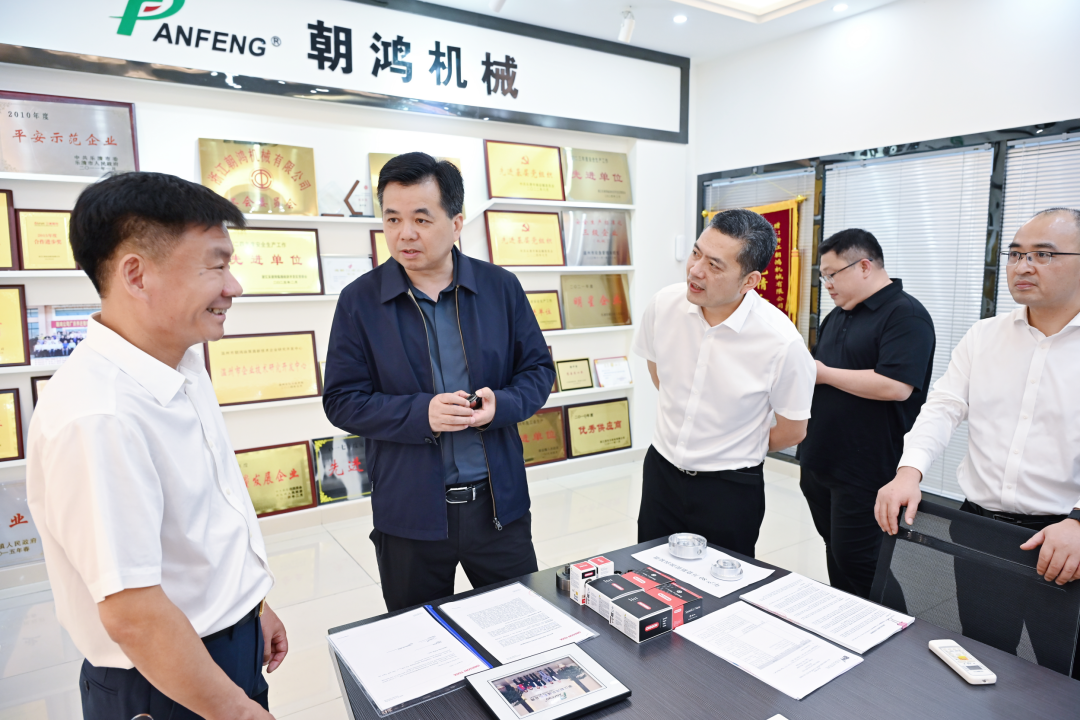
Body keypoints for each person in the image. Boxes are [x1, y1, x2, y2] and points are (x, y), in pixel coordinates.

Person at [26, 172, 287, 720]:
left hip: (223, 645)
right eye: (215, 266)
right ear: (137, 275)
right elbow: (135, 615)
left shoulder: (181, 360)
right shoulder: (98, 415)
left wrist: (251, 605)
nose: (233, 286)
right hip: (160, 681)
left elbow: (207, 517)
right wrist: (239, 713)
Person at [323, 152, 555, 611]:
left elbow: (538, 371)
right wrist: (420, 413)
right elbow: (342, 400)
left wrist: (502, 404)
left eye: (421, 219)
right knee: (419, 636)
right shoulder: (360, 301)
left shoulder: (500, 288)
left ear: (456, 223)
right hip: (410, 513)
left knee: (521, 623)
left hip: (498, 506)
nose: (404, 233)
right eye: (392, 218)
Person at [876, 208, 1080, 674]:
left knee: (1062, 674)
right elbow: (943, 407)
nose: (1023, 266)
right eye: (1016, 254)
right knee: (984, 656)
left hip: (1065, 538)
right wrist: (909, 471)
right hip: (981, 529)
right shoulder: (985, 335)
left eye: (1044, 255)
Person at [633, 208, 816, 557]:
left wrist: (735, 445)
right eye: (696, 253)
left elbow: (793, 430)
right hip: (661, 472)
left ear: (749, 281)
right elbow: (660, 376)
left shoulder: (781, 343)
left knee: (723, 583)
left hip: (730, 487)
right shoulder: (664, 305)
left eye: (715, 265)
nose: (695, 270)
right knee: (650, 571)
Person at [797, 229, 935, 598]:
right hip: (822, 458)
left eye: (831, 274)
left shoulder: (906, 315)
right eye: (823, 276)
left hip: (866, 467)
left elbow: (896, 385)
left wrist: (823, 373)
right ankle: (847, 620)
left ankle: (894, 628)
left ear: (863, 266)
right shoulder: (838, 315)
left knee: (862, 560)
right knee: (835, 551)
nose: (826, 284)